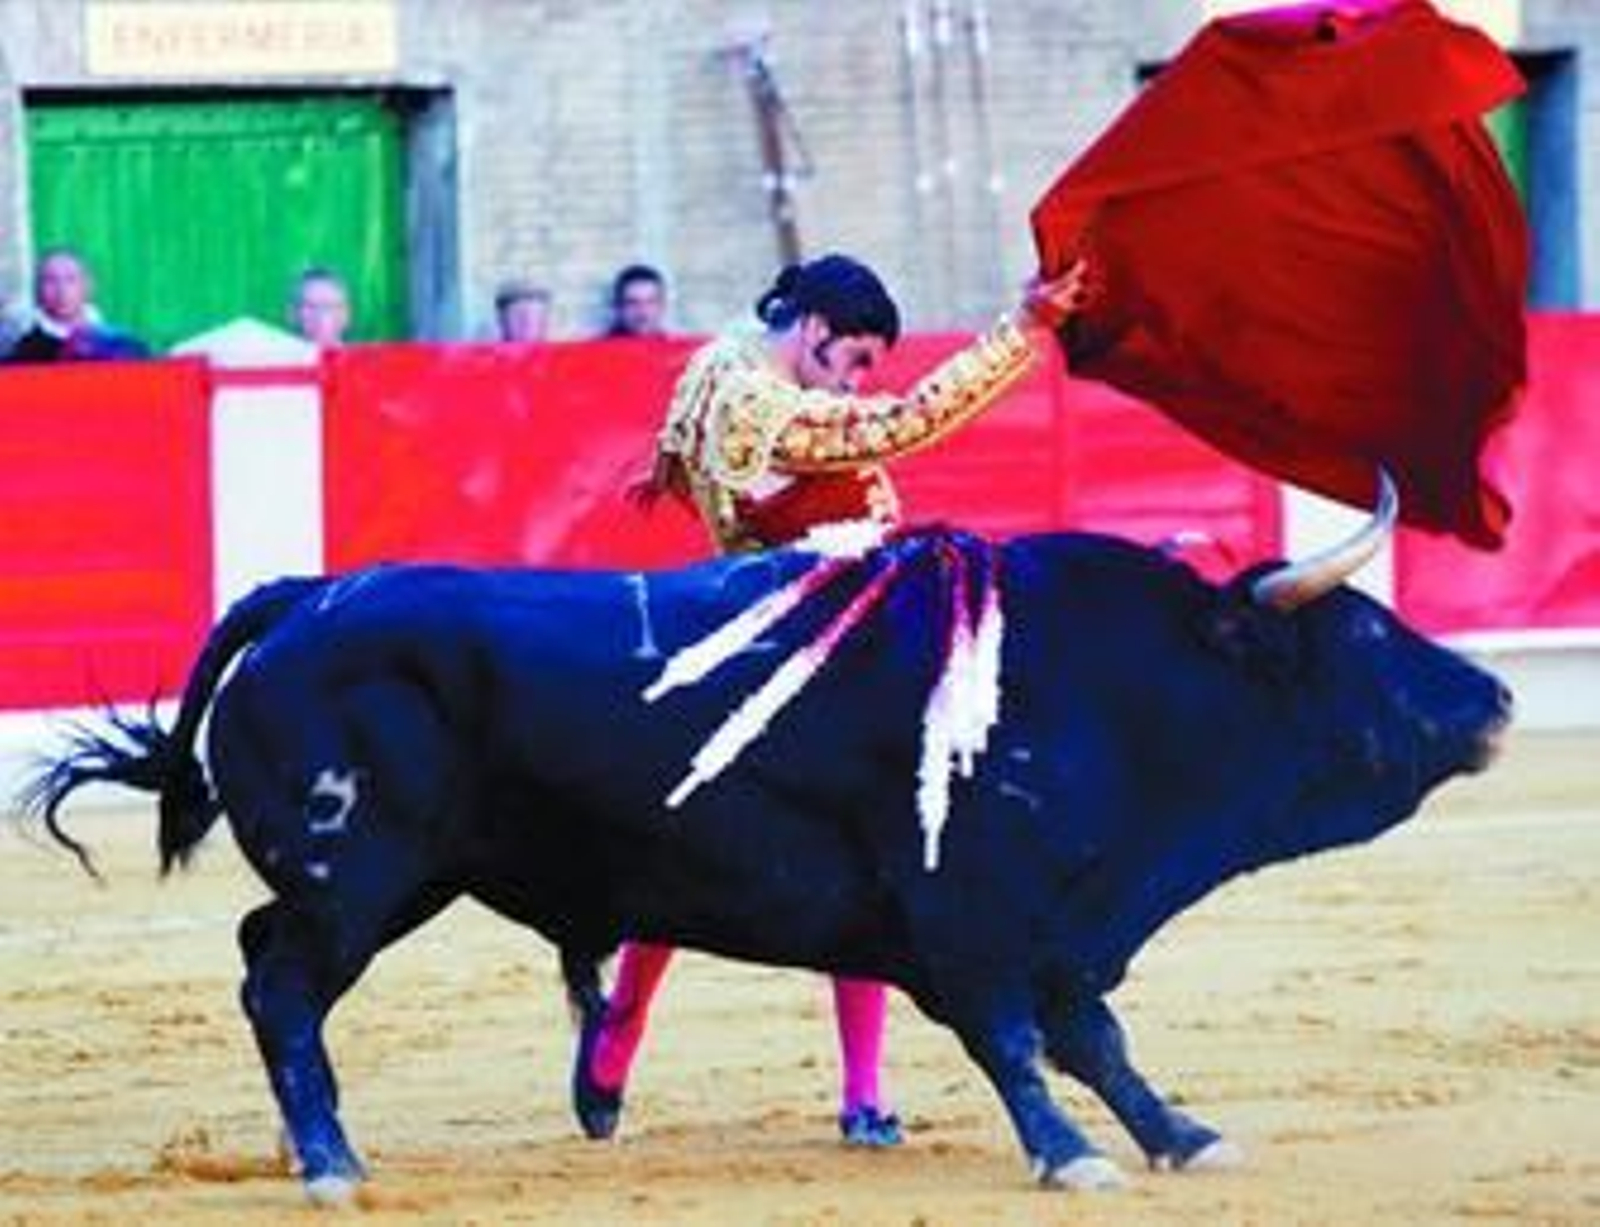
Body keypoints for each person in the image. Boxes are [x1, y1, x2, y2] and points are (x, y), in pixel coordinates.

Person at [573, 251, 1091, 1148]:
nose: (854, 383)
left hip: (763, 618)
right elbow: (906, 422)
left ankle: (623, 1038)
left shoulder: (724, 359)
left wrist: (665, 470)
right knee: (869, 844)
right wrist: (1024, 329)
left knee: (682, 852)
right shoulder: (768, 406)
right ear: (811, 329)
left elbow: (685, 417)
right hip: (813, 643)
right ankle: (847, 1091)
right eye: (850, 358)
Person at [2, 247, 149, 363]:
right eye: (50, 281)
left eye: (71, 279)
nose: (61, 291)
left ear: (89, 286)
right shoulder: (24, 353)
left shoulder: (122, 344)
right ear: (37, 290)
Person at [289, 267, 352, 348]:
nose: (321, 314)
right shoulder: (279, 359)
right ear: (293, 313)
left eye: (330, 306)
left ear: (346, 312)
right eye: (310, 306)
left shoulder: (366, 359)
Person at [603, 263, 669, 338]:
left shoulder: (679, 347)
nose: (642, 311)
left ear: (662, 306)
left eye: (651, 302)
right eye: (632, 302)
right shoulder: (597, 348)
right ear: (618, 307)